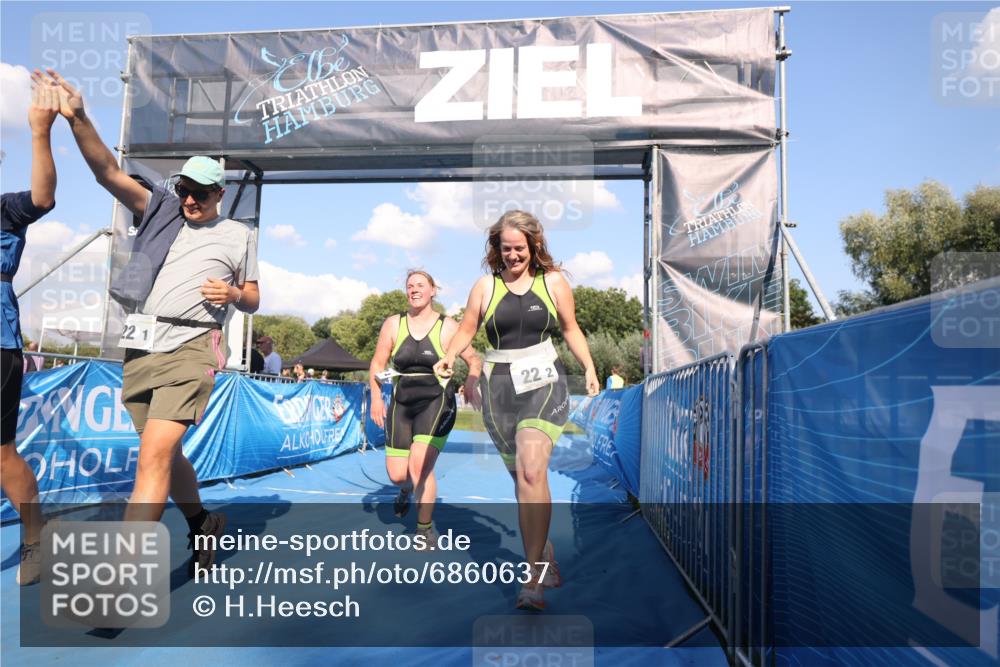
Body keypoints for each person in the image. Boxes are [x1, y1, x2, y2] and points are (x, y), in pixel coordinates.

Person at [44, 68, 260, 577]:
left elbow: (252, 298)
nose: (190, 199)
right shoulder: (160, 209)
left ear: (219, 193)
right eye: (184, 189)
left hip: (193, 345)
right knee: (161, 453)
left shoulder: (239, 235)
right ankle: (203, 521)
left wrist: (234, 293)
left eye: (200, 192)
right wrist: (78, 119)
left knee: (153, 457)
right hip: (142, 344)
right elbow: (107, 172)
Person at [434, 210, 599, 610]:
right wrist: (450, 356)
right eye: (505, 248)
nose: (512, 255)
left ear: (534, 245)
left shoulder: (552, 282)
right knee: (522, 481)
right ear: (497, 248)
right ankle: (544, 551)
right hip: (499, 388)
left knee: (531, 470)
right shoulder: (485, 286)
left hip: (543, 382)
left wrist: (589, 366)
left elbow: (570, 328)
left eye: (519, 248)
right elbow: (467, 328)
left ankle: (533, 578)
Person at [370, 270, 481, 547]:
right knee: (398, 475)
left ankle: (424, 530)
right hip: (402, 403)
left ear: (433, 290)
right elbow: (377, 364)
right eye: (410, 286)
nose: (414, 289)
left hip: (436, 401)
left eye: (420, 285)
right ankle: (405, 489)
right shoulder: (393, 324)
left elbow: (474, 360)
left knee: (420, 465)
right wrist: (375, 398)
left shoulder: (448, 326)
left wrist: (470, 382)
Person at [1, 79, 59, 585]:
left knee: (0, 454)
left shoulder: (5, 209)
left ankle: (37, 539)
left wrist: (40, 131)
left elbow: (43, 198)